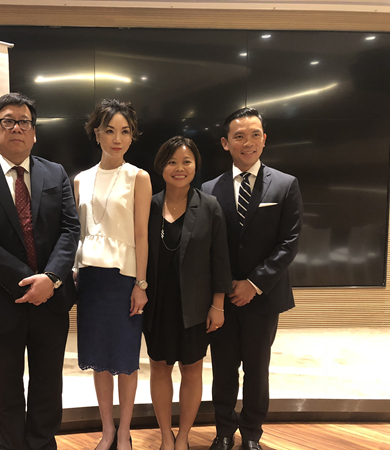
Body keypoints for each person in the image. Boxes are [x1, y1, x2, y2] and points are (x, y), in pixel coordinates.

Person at [0, 92, 80, 450]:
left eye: (24, 122)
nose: (17, 128)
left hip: (51, 300)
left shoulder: (55, 173)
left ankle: (42, 444)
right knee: (7, 388)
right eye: (8, 121)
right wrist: (28, 281)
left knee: (48, 385)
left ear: (34, 133)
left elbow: (70, 229)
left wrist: (51, 279)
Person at [201, 107, 303, 450]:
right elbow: (207, 245)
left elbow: (289, 243)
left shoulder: (285, 184)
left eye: (255, 135)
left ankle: (251, 434)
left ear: (264, 139)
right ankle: (223, 432)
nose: (248, 142)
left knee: (258, 370)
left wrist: (254, 284)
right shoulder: (208, 189)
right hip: (223, 298)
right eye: (239, 136)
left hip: (264, 297)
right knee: (223, 369)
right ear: (225, 143)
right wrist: (225, 287)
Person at [144, 136, 233, 450]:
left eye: (186, 162)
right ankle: (165, 436)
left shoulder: (209, 206)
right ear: (161, 167)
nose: (179, 168)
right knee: (159, 367)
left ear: (195, 166)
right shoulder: (148, 205)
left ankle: (183, 436)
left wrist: (218, 305)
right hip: (157, 304)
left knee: (192, 369)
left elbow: (220, 259)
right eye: (172, 162)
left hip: (195, 305)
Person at [74, 99, 152, 450]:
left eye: (125, 131)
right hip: (90, 280)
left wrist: (141, 284)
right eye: (109, 130)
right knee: (99, 360)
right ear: (96, 134)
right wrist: (74, 270)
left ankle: (124, 432)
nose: (117, 139)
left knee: (125, 359)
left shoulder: (138, 177)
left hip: (124, 281)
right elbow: (77, 232)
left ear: (132, 136)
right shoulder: (80, 179)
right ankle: (107, 430)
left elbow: (141, 235)